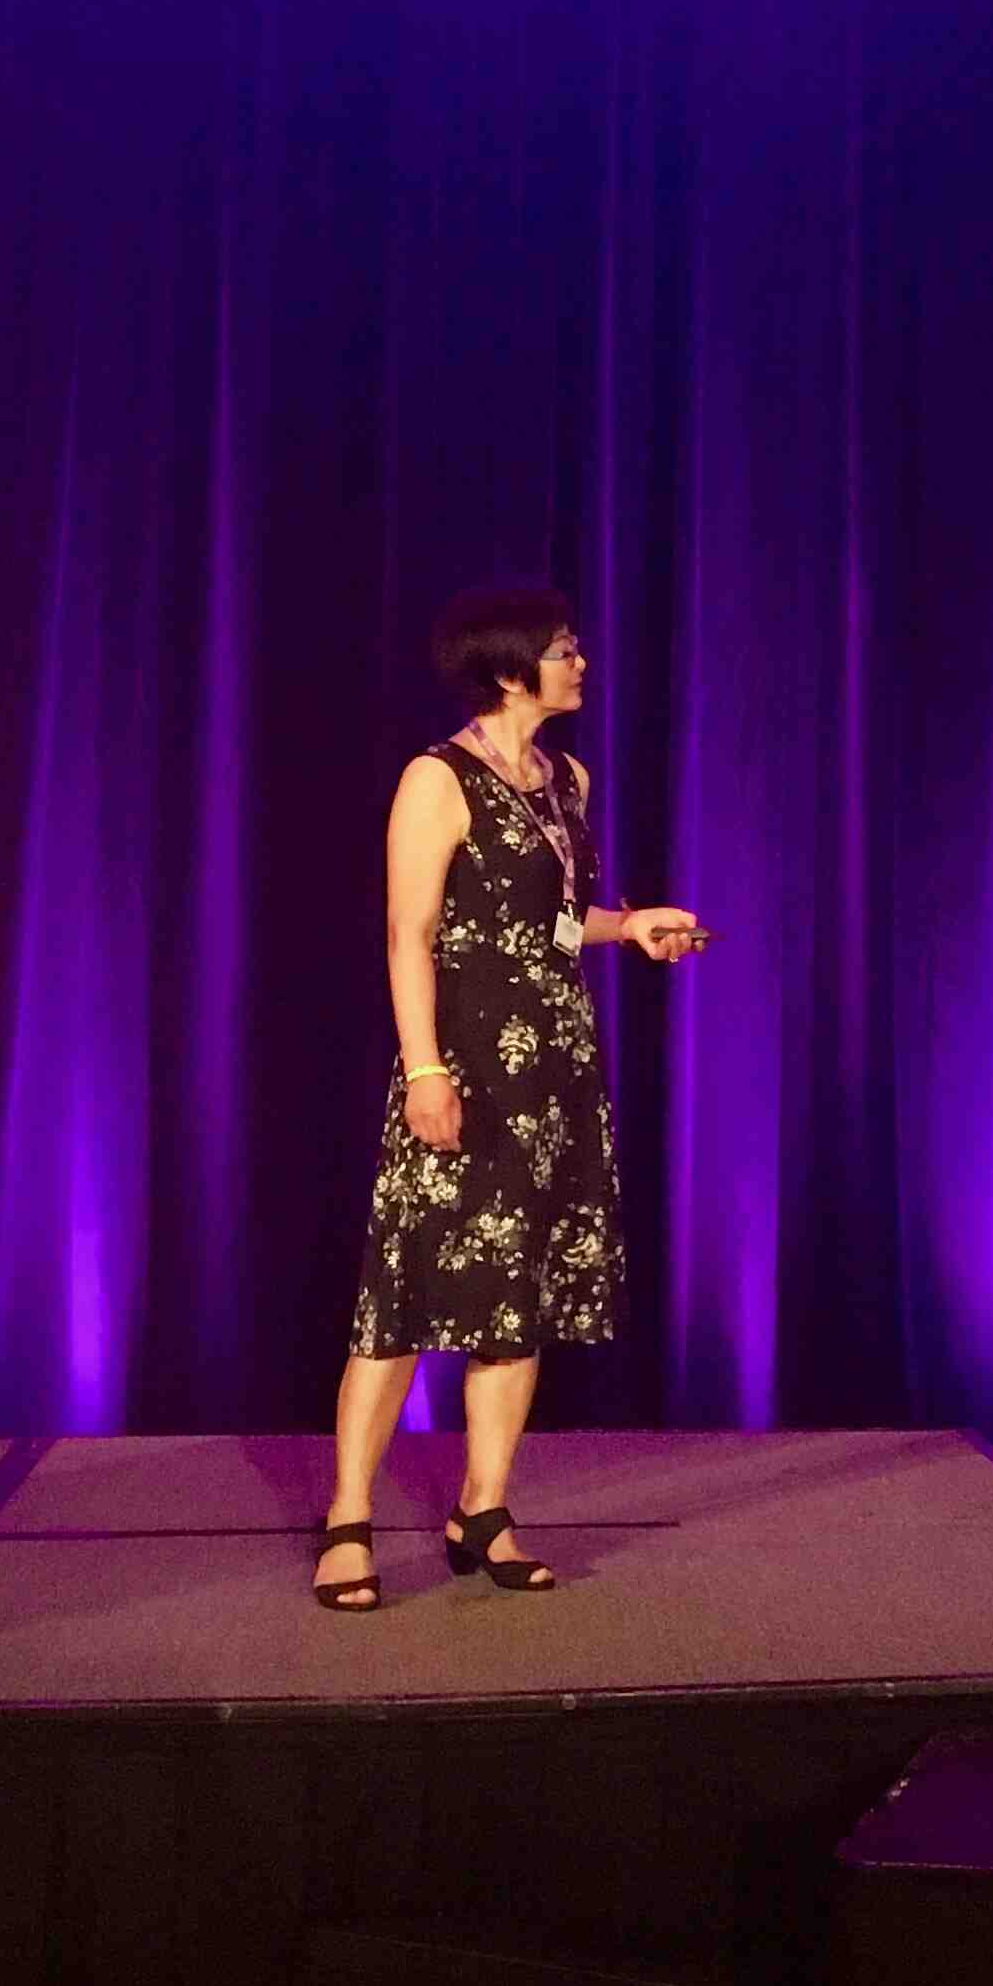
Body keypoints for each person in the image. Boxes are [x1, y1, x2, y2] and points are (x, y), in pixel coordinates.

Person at [312, 582, 705, 1612]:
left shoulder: (563, 777)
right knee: (407, 1291)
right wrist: (426, 1068)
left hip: (555, 1070)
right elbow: (410, 933)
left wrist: (635, 928)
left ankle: (482, 1507)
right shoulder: (437, 777)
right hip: (467, 1060)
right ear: (506, 670)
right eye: (563, 650)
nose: (580, 663)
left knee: (514, 1294)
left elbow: (559, 926)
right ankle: (347, 1516)